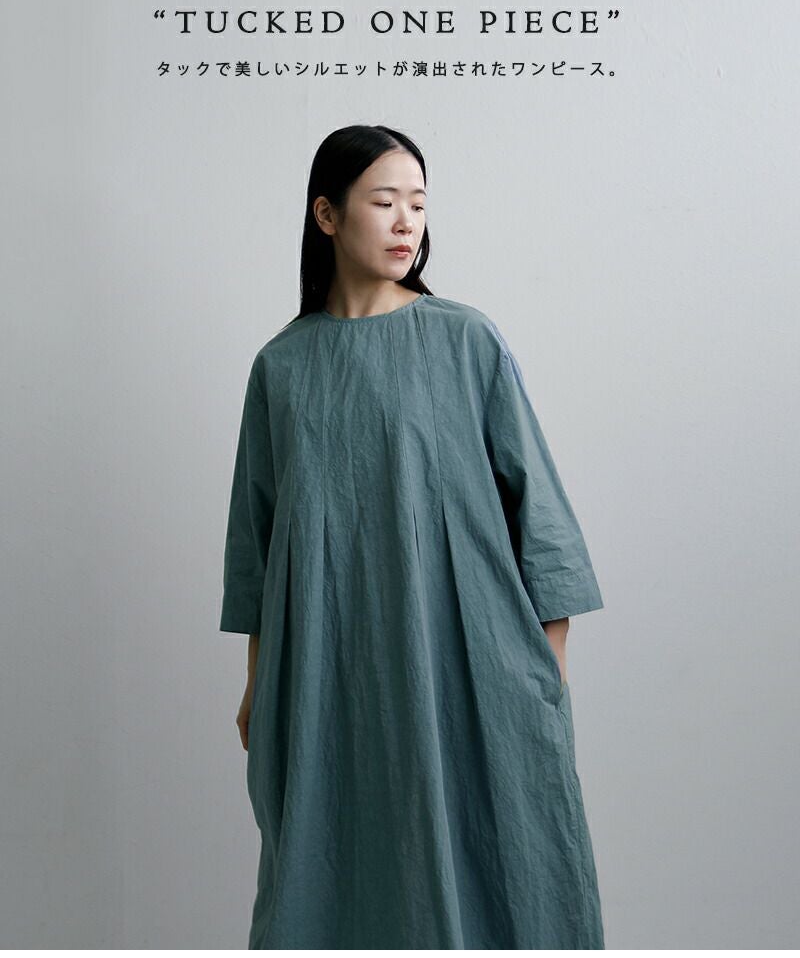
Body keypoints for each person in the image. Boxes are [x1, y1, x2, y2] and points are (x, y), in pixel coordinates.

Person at [219, 124, 606, 948]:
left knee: (504, 866)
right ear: (327, 215)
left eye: (419, 205)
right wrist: (258, 684)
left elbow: (540, 515)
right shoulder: (280, 367)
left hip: (468, 663)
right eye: (385, 202)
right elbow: (258, 543)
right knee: (331, 867)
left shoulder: (466, 339)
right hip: (328, 672)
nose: (407, 224)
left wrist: (546, 673)